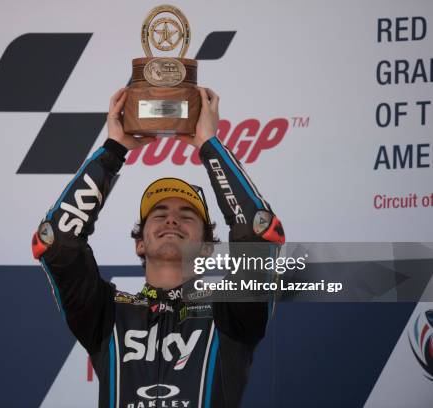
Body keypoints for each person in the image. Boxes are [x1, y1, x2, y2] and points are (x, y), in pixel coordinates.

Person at [32, 87, 285, 407]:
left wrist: (210, 146)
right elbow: (55, 240)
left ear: (207, 248)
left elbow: (260, 232)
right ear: (140, 243)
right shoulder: (106, 313)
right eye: (160, 214)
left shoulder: (231, 312)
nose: (171, 221)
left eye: (186, 215)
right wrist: (113, 150)